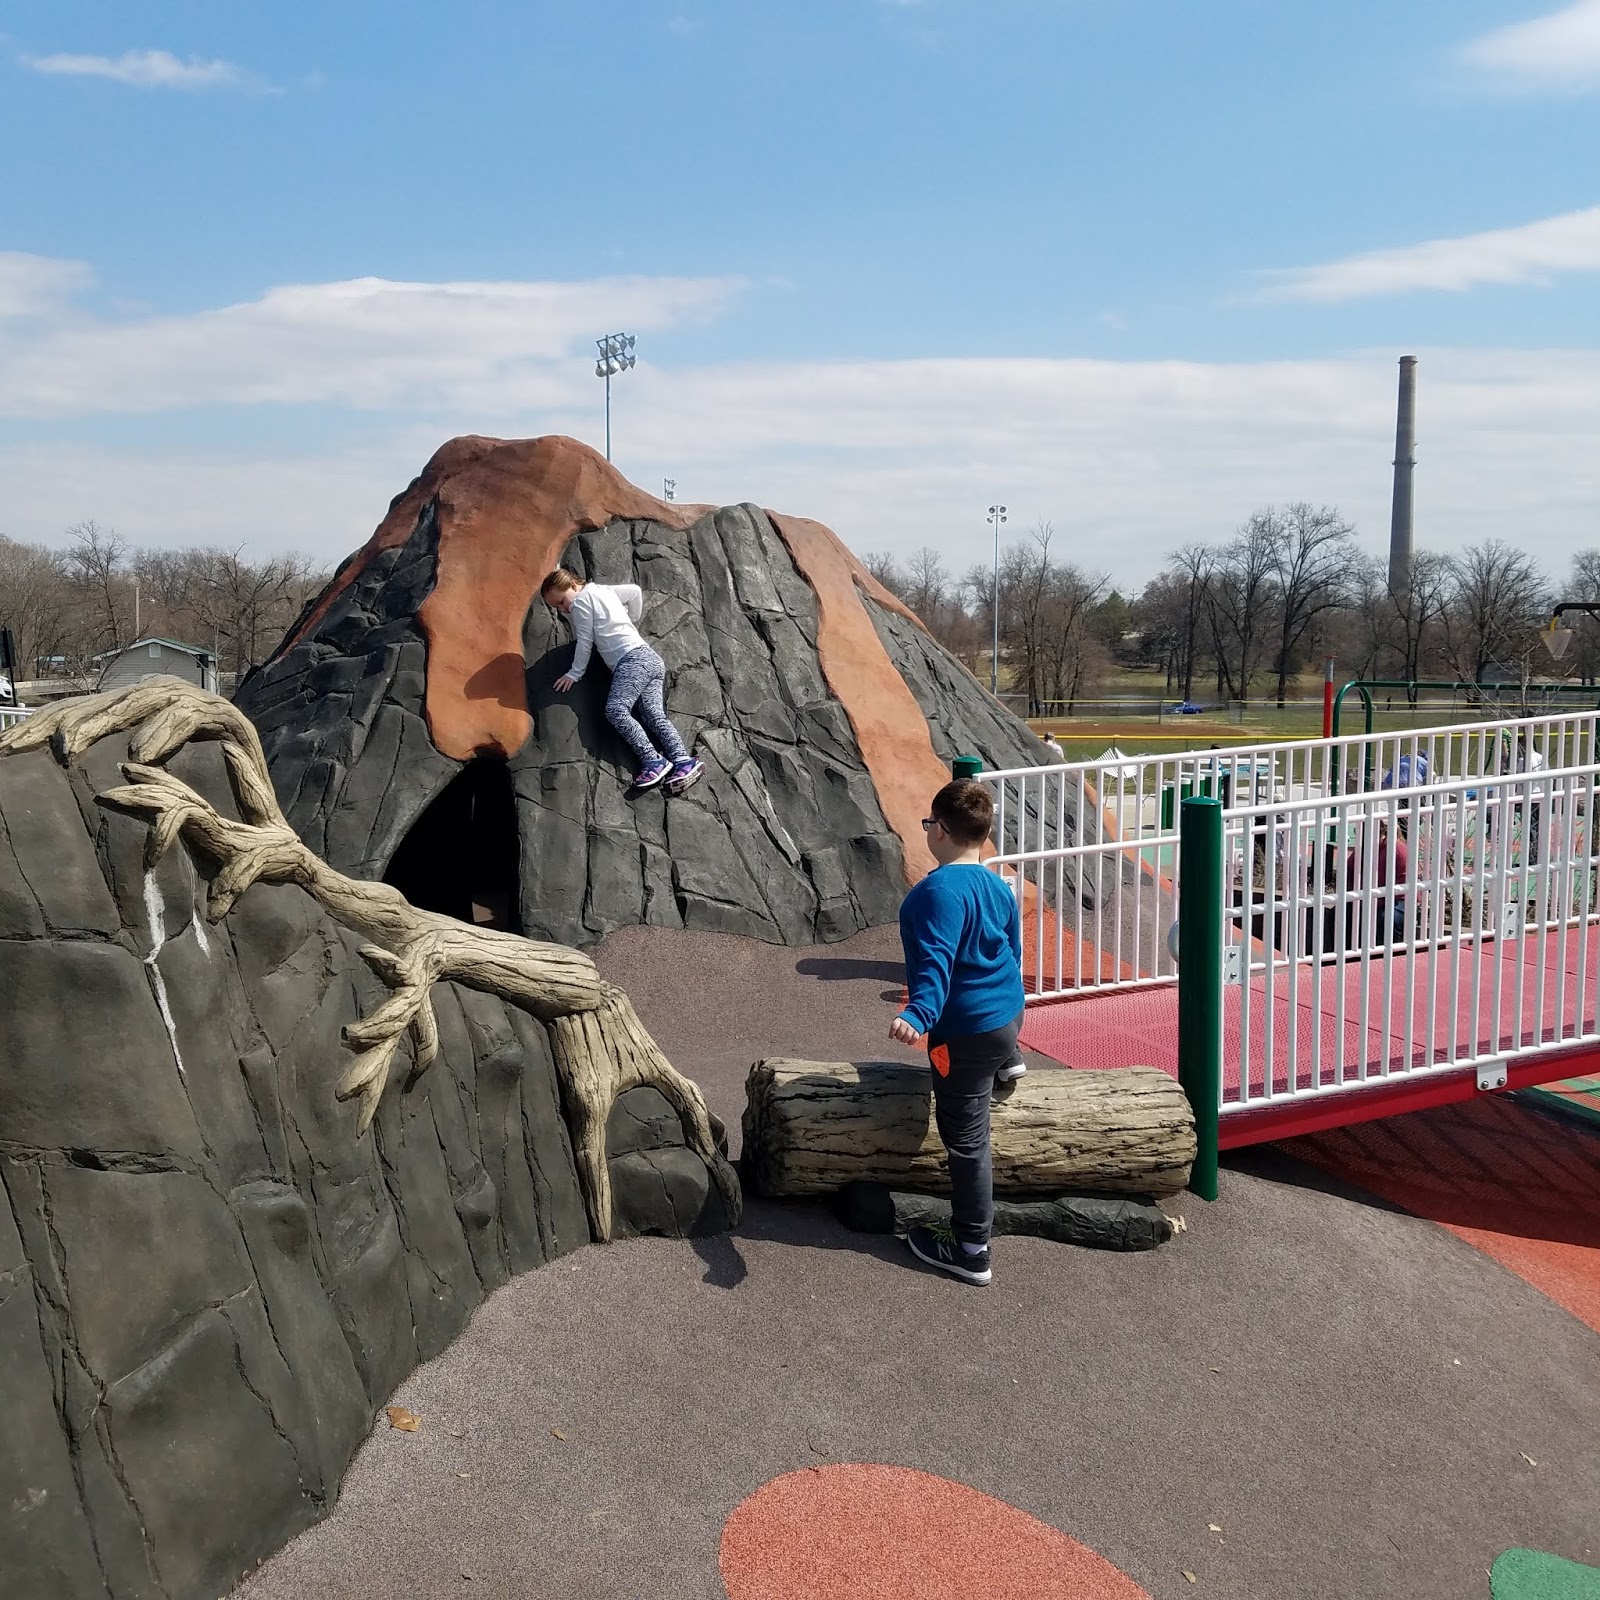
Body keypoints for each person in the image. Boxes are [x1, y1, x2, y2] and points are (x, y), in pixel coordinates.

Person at [888, 779, 1027, 1286]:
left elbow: (934, 964)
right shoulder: (999, 884)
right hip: (1009, 1015)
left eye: (929, 824)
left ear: (941, 831)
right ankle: (1010, 1058)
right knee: (999, 1037)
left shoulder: (933, 894)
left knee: (967, 1140)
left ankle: (971, 1247)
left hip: (964, 1034)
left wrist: (919, 1016)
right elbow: (1011, 953)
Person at [540, 568, 703, 794]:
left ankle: (653, 761)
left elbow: (584, 642)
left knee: (616, 710)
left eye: (561, 601)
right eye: (556, 607)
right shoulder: (603, 591)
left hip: (630, 661)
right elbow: (635, 592)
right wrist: (631, 619)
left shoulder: (580, 604)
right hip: (649, 658)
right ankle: (683, 761)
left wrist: (574, 674)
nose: (563, 608)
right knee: (654, 715)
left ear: (573, 586)